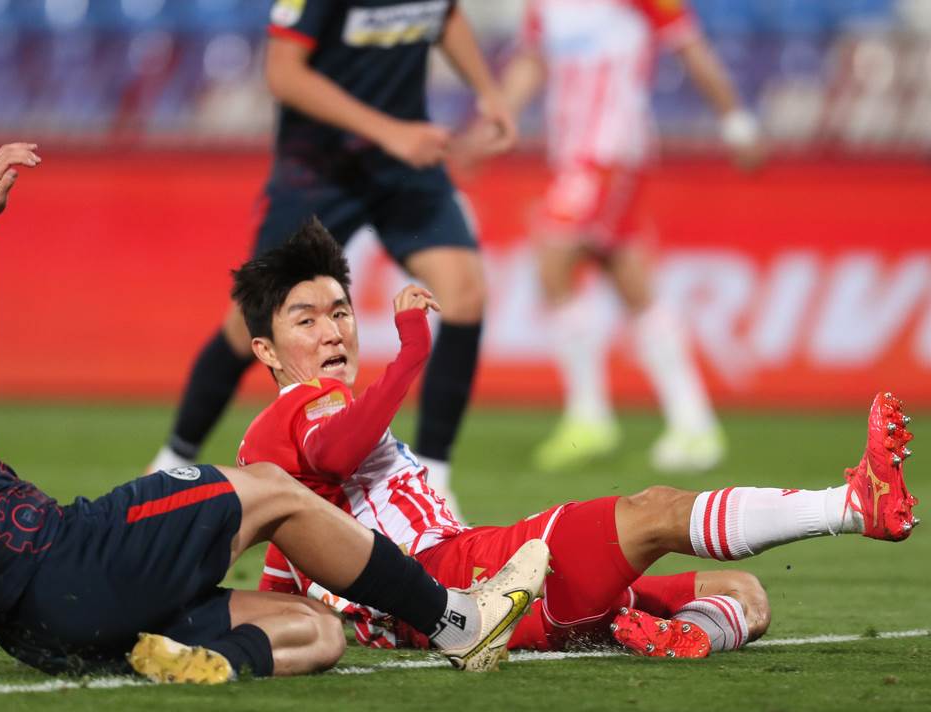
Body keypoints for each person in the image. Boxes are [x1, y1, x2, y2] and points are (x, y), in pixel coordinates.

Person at [0, 145, 549, 684]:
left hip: (50, 629)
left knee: (315, 632)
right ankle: (457, 620)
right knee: (267, 484)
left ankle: (180, 660)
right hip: (66, 560)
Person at [233, 220, 918, 658]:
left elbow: (283, 572)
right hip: (458, 579)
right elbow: (336, 452)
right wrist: (412, 349)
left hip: (472, 588)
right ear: (265, 350)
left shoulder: (276, 448)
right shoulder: (306, 409)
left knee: (742, 591)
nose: (333, 331)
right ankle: (851, 506)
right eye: (307, 320)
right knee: (652, 512)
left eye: (341, 312)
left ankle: (690, 638)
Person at [148, 0, 519, 515]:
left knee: (465, 294)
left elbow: (444, 15)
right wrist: (388, 131)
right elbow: (283, 73)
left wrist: (489, 92)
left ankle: (433, 475)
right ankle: (172, 462)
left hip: (405, 164)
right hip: (320, 170)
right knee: (246, 325)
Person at [469, 0, 765, 472]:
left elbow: (690, 47)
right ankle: (693, 423)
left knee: (553, 257)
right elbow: (531, 61)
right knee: (626, 276)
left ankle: (590, 417)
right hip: (572, 153)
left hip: (611, 149)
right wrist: (490, 127)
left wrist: (736, 122)